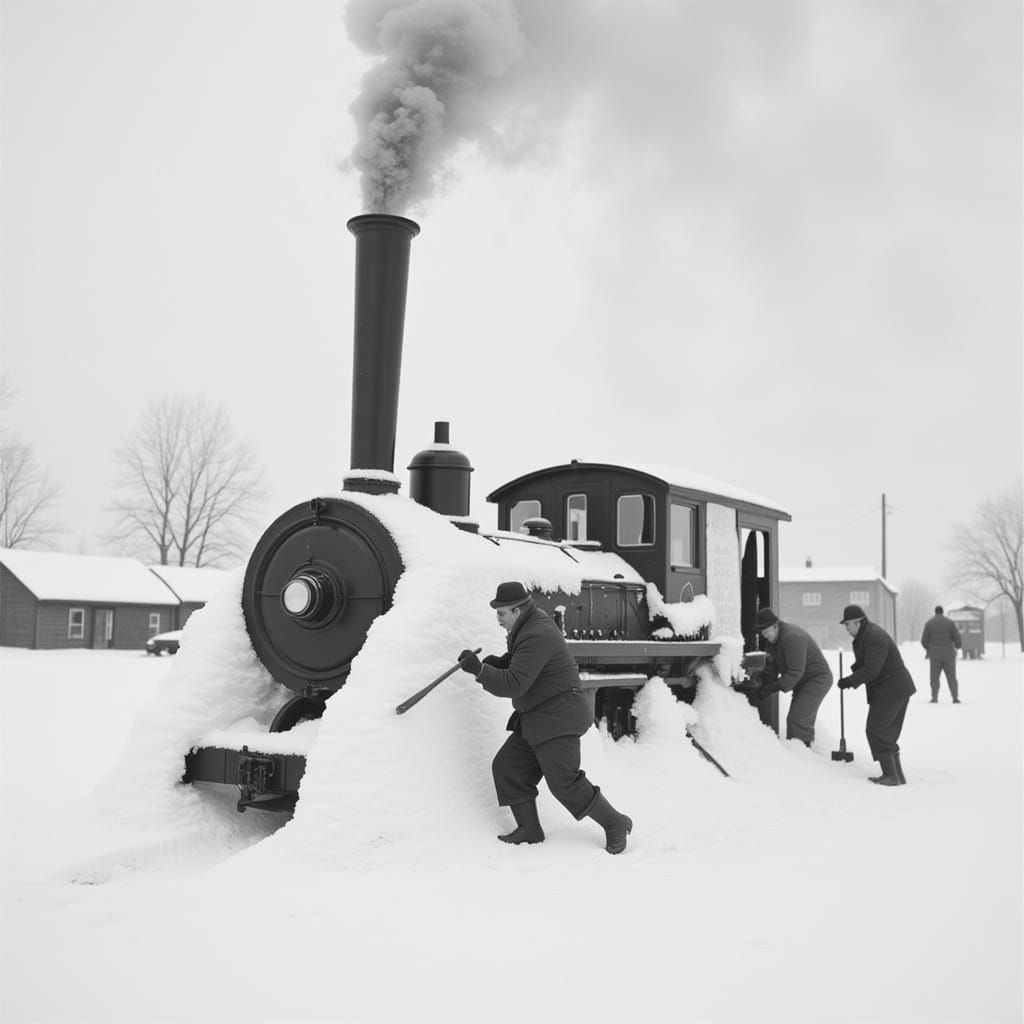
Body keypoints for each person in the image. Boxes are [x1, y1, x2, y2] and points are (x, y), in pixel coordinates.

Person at [458, 581, 633, 855]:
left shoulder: (537, 632)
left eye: (502, 614)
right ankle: (530, 829)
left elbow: (515, 683)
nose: (499, 620)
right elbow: (522, 664)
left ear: (517, 610)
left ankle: (615, 823)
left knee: (565, 783)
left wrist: (481, 671)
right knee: (508, 768)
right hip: (538, 717)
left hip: (558, 718)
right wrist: (498, 662)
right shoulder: (526, 626)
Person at [836, 604, 916, 786]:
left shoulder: (874, 637)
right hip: (892, 688)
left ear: (858, 622)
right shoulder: (865, 636)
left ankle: (891, 776)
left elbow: (872, 670)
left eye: (848, 625)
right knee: (885, 732)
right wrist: (855, 672)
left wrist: (850, 681)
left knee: (876, 730)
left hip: (892, 688)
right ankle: (897, 776)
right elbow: (868, 662)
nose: (846, 629)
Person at [754, 608, 833, 746]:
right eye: (762, 632)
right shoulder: (772, 641)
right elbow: (773, 664)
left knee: (797, 719)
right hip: (802, 681)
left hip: (817, 679)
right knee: (798, 719)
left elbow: (795, 672)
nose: (764, 635)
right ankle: (801, 753)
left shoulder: (792, 637)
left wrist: (775, 687)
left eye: (766, 631)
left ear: (775, 625)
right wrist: (765, 682)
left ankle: (801, 755)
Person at [921, 605, 963, 703]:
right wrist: (957, 646)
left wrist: (929, 648)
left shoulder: (929, 623)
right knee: (951, 677)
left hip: (935, 654)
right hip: (949, 654)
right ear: (942, 612)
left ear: (935, 612)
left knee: (934, 677)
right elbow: (957, 638)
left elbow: (924, 640)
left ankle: (934, 697)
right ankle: (955, 697)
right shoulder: (950, 623)